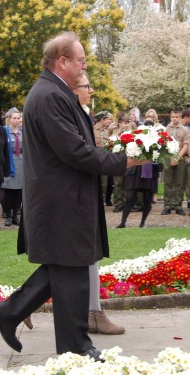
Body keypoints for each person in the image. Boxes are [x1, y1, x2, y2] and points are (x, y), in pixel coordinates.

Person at [0, 32, 143, 360]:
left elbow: (76, 146)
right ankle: (76, 349)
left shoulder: (51, 92)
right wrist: (123, 161)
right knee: (70, 272)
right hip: (61, 201)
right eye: (81, 61)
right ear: (63, 62)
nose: (85, 67)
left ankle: (8, 314)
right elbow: (75, 152)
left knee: (63, 268)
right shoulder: (50, 95)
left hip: (62, 198)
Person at [71, 73, 125, 335]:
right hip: (72, 194)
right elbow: (81, 153)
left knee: (84, 255)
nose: (91, 91)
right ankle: (16, 308)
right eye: (86, 86)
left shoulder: (80, 112)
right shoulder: (72, 113)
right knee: (76, 257)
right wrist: (124, 161)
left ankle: (95, 311)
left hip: (83, 190)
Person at [161, 109, 190, 215]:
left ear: (180, 117)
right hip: (168, 157)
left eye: (177, 117)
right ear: (170, 117)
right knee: (168, 183)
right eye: (173, 117)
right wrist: (170, 157)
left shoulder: (184, 130)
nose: (175, 119)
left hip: (180, 157)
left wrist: (177, 157)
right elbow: (163, 144)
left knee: (179, 183)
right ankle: (167, 205)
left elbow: (186, 145)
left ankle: (178, 206)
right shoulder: (166, 129)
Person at [1, 107, 23, 227]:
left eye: (18, 118)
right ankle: (8, 215)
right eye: (14, 118)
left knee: (19, 191)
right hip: (9, 162)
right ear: (9, 119)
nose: (16, 120)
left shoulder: (23, 132)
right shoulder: (4, 132)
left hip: (22, 163)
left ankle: (15, 215)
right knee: (8, 191)